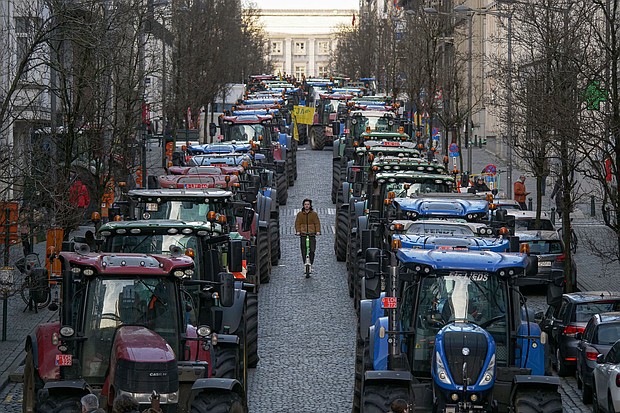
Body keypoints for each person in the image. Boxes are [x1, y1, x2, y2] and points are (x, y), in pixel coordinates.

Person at [294, 198, 321, 275]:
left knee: (312, 250)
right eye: (305, 204)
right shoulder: (300, 214)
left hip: (312, 234)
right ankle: (305, 262)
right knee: (304, 249)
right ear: (303, 205)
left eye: (308, 204)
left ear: (310, 205)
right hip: (303, 234)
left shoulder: (314, 214)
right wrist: (298, 231)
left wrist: (317, 231)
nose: (306, 206)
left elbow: (317, 223)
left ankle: (311, 263)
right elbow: (297, 223)